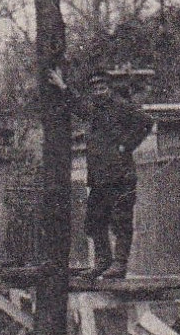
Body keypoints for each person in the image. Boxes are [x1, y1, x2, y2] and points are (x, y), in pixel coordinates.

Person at [52, 68, 150, 280]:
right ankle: (102, 261)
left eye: (103, 88)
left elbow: (145, 121)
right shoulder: (95, 110)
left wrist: (126, 145)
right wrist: (63, 87)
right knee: (94, 221)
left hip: (121, 178)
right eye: (95, 89)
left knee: (121, 221)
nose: (99, 92)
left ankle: (119, 264)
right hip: (100, 180)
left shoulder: (121, 107)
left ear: (110, 89)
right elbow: (78, 105)